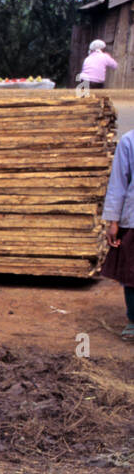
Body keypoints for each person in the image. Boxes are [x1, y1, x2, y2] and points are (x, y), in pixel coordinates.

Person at [101, 128, 134, 338]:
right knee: (131, 273)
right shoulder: (129, 141)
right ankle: (133, 320)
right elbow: (118, 184)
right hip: (132, 220)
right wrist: (113, 221)